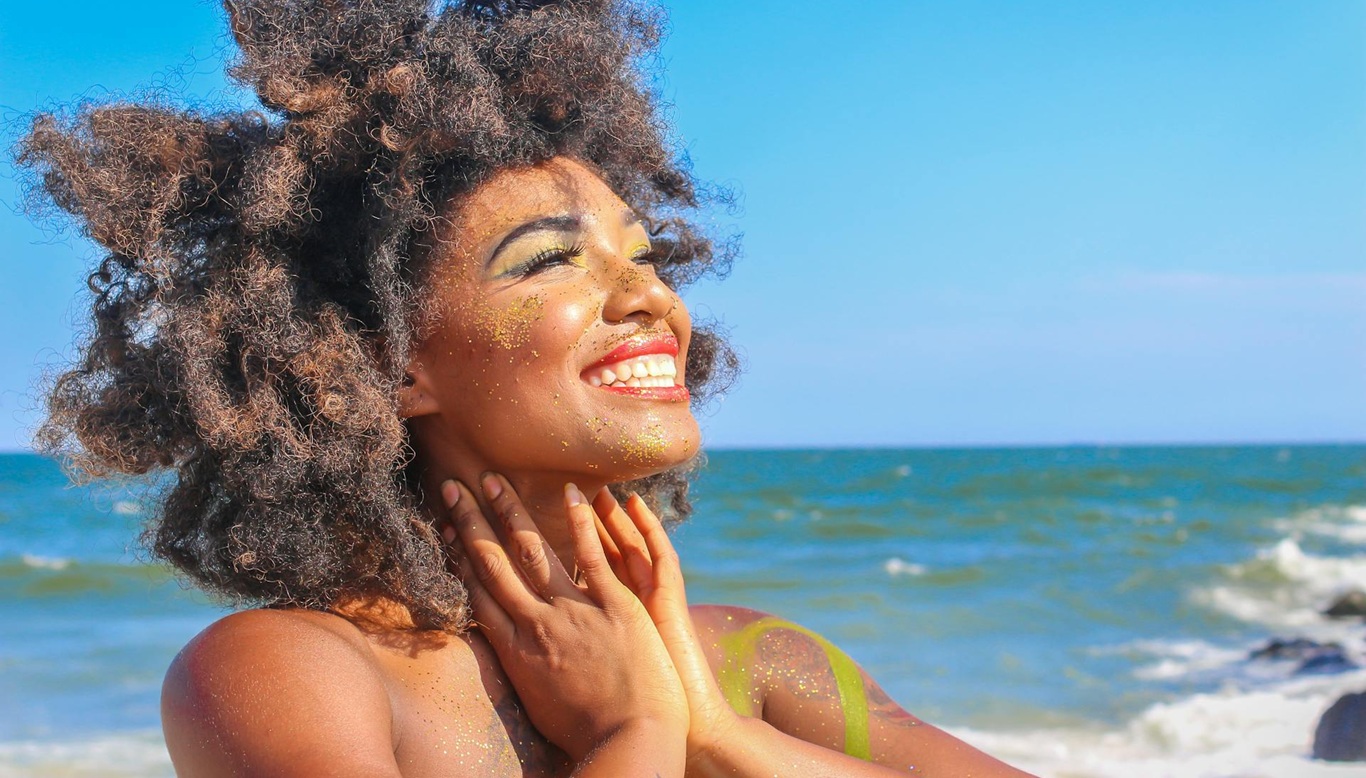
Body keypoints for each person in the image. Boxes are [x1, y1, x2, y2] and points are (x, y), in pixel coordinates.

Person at [18, 0, 1035, 774]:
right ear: (386, 360)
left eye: (645, 256)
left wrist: (718, 736)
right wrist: (636, 736)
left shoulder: (746, 658)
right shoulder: (290, 673)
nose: (648, 297)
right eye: (550, 260)